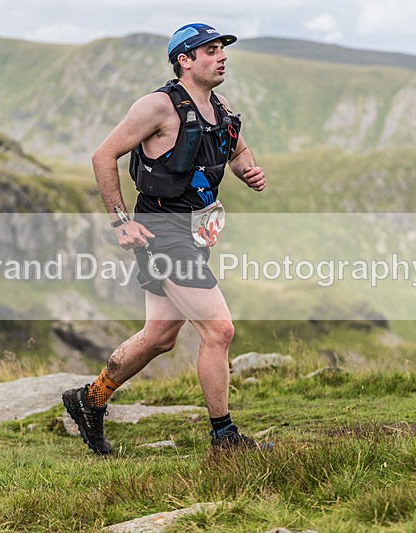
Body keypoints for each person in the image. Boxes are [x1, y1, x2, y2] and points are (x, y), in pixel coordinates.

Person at [62, 23, 267, 455]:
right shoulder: (157, 107)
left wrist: (247, 169)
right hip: (163, 235)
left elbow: (237, 150)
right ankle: (224, 437)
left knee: (159, 336)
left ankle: (90, 399)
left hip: (196, 234)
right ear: (184, 61)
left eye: (222, 49)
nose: (222, 56)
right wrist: (120, 222)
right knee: (218, 330)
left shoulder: (220, 106)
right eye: (210, 50)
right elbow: (103, 155)